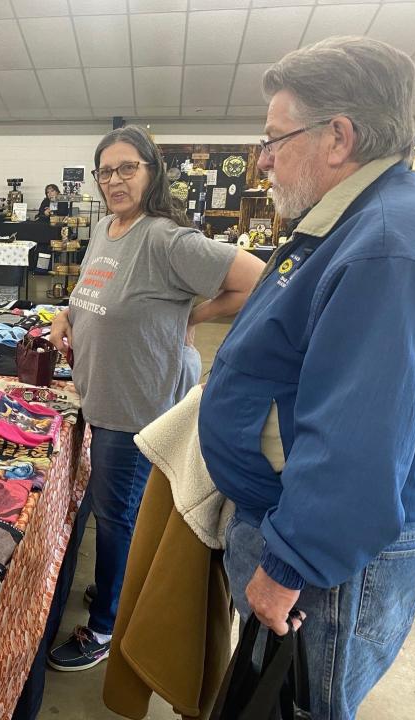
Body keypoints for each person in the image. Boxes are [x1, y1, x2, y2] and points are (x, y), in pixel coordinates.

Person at [198, 36, 415, 718]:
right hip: (291, 530)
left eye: (277, 138)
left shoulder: (389, 245)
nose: (263, 158)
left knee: (297, 704)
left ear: (338, 137)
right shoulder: (344, 223)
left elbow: (361, 440)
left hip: (320, 565)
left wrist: (288, 567)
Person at [45, 126, 264, 671]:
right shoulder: (105, 229)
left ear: (151, 171)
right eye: (105, 171)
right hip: (101, 394)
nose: (114, 180)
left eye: (127, 168)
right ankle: (116, 588)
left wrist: (195, 314)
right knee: (115, 508)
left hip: (136, 406)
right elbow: (94, 295)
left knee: (116, 515)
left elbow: (258, 280)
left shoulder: (168, 240)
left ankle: (105, 625)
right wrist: (65, 313)